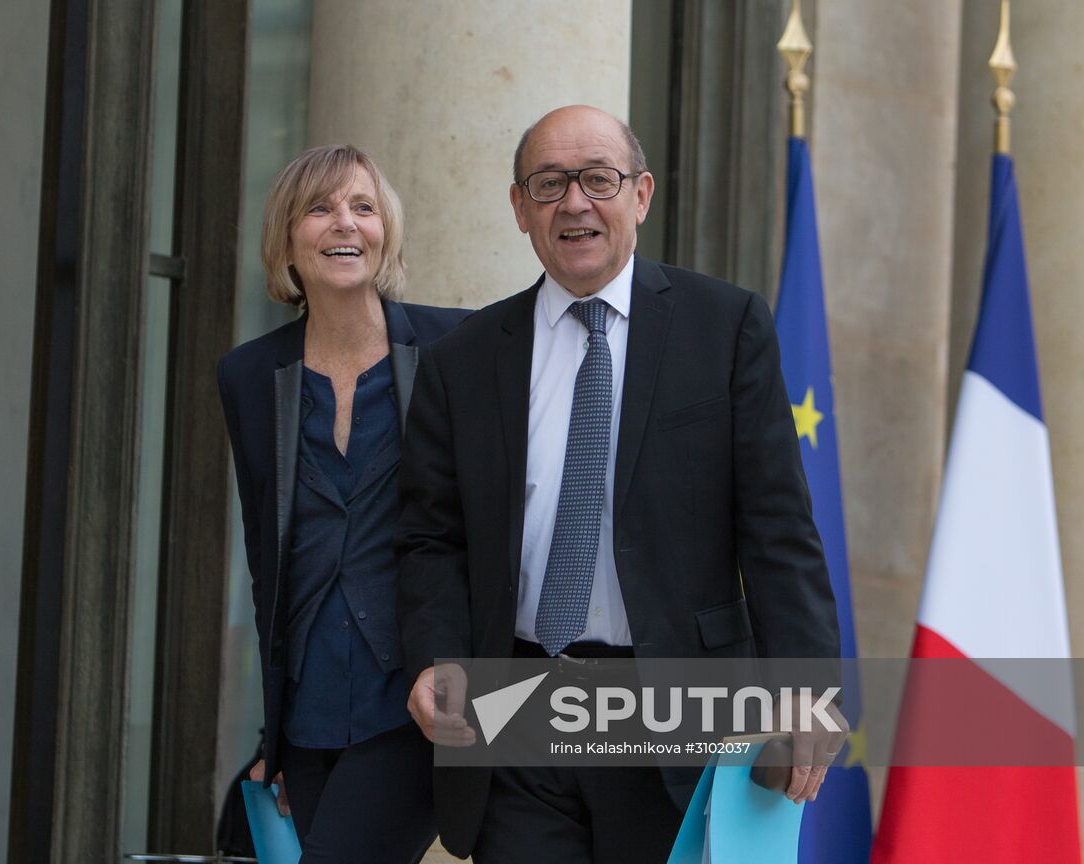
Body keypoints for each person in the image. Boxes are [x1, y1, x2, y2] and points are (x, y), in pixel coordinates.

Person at [396, 105, 844, 862]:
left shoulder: (725, 328)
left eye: (598, 179)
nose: (575, 202)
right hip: (519, 713)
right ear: (518, 208)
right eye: (548, 183)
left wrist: (804, 682)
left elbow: (778, 528)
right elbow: (431, 536)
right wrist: (437, 657)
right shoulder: (463, 360)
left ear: (641, 195)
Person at [217, 144, 467, 863]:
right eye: (320, 208)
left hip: (416, 699)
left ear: (385, 230)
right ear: (287, 238)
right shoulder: (248, 374)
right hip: (309, 713)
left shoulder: (455, 346)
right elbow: (269, 556)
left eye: (363, 207)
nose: (344, 224)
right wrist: (273, 736)